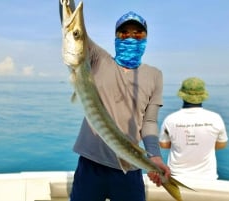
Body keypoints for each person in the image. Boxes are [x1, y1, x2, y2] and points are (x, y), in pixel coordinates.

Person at [59, 2, 170, 201]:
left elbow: (149, 122)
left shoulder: (154, 75)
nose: (130, 37)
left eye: (138, 33)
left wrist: (154, 156)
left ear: (146, 38)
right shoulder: (98, 59)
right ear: (116, 37)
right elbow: (75, 31)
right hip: (91, 164)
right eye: (124, 33)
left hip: (130, 166)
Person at [159, 77, 228, 180]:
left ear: (182, 95)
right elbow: (222, 144)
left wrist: (182, 144)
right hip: (207, 178)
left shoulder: (170, 119)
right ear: (203, 96)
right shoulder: (215, 118)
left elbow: (163, 145)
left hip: (176, 177)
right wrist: (202, 145)